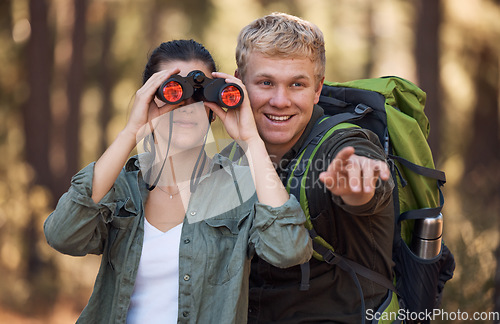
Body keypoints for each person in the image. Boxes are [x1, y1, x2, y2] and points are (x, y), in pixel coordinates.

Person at [44, 39, 312, 324]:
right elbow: (63, 235)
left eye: (199, 94)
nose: (187, 105)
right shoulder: (121, 189)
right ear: (149, 96)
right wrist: (131, 131)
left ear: (213, 105)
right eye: (173, 90)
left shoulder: (238, 189)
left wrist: (250, 140)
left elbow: (288, 250)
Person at [232, 13, 395, 323]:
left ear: (317, 89)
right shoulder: (233, 157)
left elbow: (367, 179)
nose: (280, 101)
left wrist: (357, 190)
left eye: (297, 84)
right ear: (239, 82)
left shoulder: (344, 144)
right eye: (266, 82)